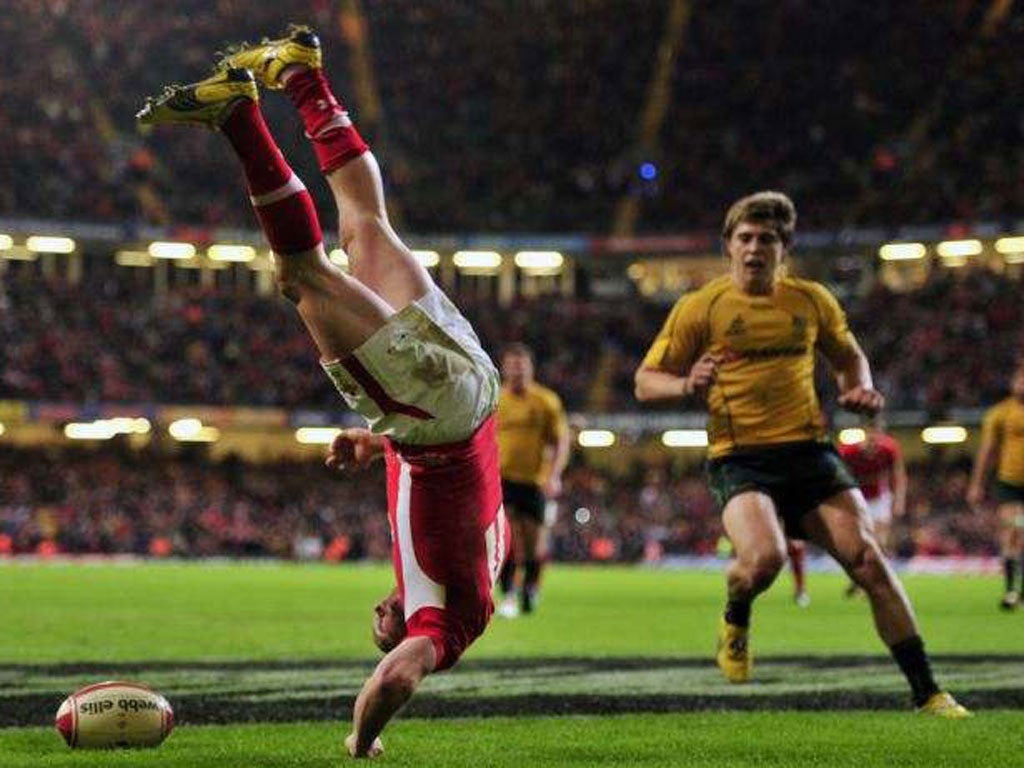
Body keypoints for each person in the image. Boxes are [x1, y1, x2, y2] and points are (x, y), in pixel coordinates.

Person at [138, 26, 509, 758]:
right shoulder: (454, 621)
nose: (386, 622)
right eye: (392, 620)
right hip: (437, 412)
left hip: (471, 387)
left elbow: (460, 497)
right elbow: (399, 678)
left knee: (366, 229)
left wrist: (377, 443)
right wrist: (361, 739)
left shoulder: (465, 562)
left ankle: (303, 77)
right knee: (303, 277)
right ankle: (239, 117)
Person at [634, 191, 968, 717]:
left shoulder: (810, 300)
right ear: (728, 246)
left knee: (869, 561)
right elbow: (644, 382)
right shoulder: (701, 306)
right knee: (761, 562)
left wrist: (860, 387)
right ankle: (736, 612)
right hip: (740, 457)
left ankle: (928, 691)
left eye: (766, 239)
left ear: (783, 249)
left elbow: (849, 357)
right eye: (744, 238)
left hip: (809, 453)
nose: (753, 248)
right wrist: (684, 383)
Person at [495, 343, 571, 616]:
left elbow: (562, 440)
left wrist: (555, 475)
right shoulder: (494, 400)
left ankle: (530, 588)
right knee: (507, 540)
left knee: (534, 544)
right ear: (504, 369)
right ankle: (508, 595)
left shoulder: (545, 401)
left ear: (530, 368)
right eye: (512, 365)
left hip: (535, 481)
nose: (517, 370)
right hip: (501, 480)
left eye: (522, 365)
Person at [967, 363, 1024, 610]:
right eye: (1019, 380)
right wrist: (977, 484)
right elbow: (987, 451)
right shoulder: (999, 414)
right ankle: (1011, 591)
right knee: (1012, 532)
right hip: (1010, 483)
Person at [838, 416, 907, 596]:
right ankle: (859, 578)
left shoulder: (889, 448)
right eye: (870, 434)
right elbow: (838, 476)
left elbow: (898, 475)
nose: (873, 439)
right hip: (856, 498)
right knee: (858, 542)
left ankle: (873, 582)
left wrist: (898, 500)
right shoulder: (849, 452)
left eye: (877, 434)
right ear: (864, 433)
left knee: (879, 542)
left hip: (879, 498)